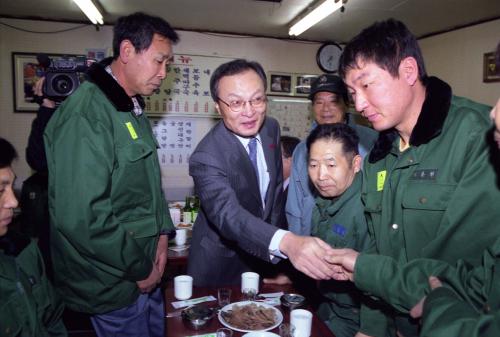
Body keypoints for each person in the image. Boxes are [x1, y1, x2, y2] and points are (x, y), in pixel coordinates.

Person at [334, 18, 500, 337]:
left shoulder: (478, 138)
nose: (359, 104)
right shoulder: (378, 159)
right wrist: (371, 329)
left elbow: (459, 275)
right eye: (352, 92)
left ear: (408, 71)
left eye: (366, 85)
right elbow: (377, 255)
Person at [43, 12, 178, 337]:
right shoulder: (87, 114)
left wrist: (162, 236)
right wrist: (140, 266)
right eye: (159, 62)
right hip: (114, 281)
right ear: (128, 51)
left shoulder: (128, 108)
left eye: (168, 65)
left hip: (146, 268)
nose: (164, 74)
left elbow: (149, 187)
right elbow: (82, 216)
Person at [187, 59, 339, 287]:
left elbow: (275, 195)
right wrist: (286, 242)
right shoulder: (206, 156)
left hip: (264, 255)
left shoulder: (270, 128)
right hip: (221, 263)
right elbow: (229, 215)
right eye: (236, 103)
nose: (249, 112)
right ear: (218, 107)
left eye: (257, 99)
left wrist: (280, 260)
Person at [286, 74, 377, 236]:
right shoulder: (302, 150)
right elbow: (295, 207)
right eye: (319, 102)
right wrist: (298, 245)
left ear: (347, 103)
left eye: (333, 101)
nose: (325, 108)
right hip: (311, 240)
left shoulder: (371, 142)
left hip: (357, 241)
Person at [306, 123, 372, 337]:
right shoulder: (324, 201)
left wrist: (370, 330)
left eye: (331, 165)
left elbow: (380, 279)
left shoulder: (369, 209)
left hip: (358, 319)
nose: (321, 175)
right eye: (313, 165)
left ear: (355, 164)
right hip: (328, 305)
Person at [0, 137, 67, 337]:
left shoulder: (23, 251)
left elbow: (53, 318)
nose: (13, 202)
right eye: (0, 190)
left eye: (11, 187)